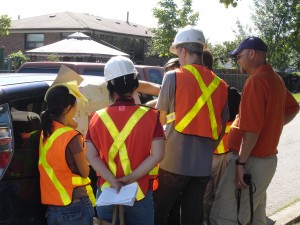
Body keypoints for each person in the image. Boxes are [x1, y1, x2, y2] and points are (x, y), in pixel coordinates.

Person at [209, 36, 300, 225]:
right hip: (264, 161)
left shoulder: (256, 81)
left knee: (226, 216)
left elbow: (251, 130)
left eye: (239, 56)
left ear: (252, 53)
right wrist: (271, 126)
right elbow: (293, 108)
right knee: (255, 216)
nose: (237, 61)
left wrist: (241, 163)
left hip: (251, 160)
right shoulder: (274, 78)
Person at [154, 25, 229, 225]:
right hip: (202, 166)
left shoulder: (173, 77)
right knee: (192, 218)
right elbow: (221, 128)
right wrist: (206, 149)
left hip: (172, 163)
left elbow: (160, 120)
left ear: (182, 51)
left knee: (160, 213)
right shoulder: (221, 85)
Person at [85, 55, 165, 225]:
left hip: (107, 193)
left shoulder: (95, 118)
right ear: (136, 85)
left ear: (109, 87)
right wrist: (130, 178)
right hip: (139, 193)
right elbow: (158, 154)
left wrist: (112, 180)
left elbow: (91, 156)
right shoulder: (151, 116)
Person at [39, 79, 96, 225]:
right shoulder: (71, 137)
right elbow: (85, 172)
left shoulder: (45, 134)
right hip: (75, 207)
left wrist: (70, 122)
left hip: (53, 209)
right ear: (68, 108)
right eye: (76, 104)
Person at [202, 50, 241, 225]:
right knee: (211, 196)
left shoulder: (223, 91)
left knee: (210, 196)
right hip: (218, 153)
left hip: (216, 154)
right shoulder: (227, 90)